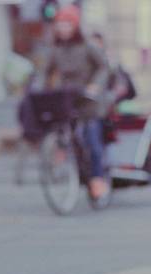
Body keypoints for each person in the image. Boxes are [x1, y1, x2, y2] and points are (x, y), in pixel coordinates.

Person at [37, 5, 111, 199]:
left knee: (92, 140)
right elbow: (46, 72)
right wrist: (43, 89)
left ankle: (97, 178)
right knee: (63, 130)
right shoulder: (56, 49)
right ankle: (62, 154)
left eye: (67, 24)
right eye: (60, 24)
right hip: (67, 100)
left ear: (75, 26)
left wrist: (95, 85)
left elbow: (104, 67)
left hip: (89, 102)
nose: (63, 28)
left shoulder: (88, 46)